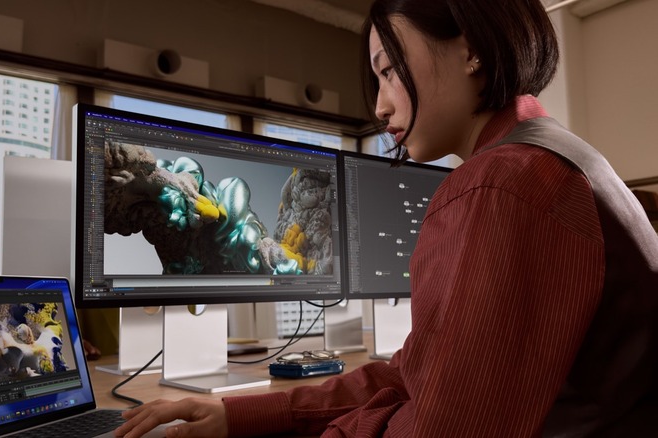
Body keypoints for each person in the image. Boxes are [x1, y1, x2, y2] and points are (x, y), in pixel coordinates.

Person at [115, 0, 658, 436]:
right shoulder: (559, 158)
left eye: (390, 71)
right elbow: (416, 374)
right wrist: (241, 417)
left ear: (471, 51)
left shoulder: (499, 185)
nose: (379, 106)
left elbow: (441, 426)